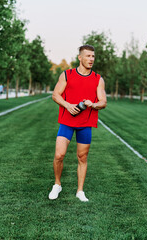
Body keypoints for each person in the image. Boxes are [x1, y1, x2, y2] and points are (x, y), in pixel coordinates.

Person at [49, 45, 107, 202]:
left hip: (86, 123)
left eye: (93, 56)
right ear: (80, 58)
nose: (91, 59)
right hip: (67, 121)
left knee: (82, 157)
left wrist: (92, 104)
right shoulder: (67, 75)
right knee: (59, 154)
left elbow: (103, 102)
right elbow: (55, 95)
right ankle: (57, 184)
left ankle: (80, 191)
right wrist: (68, 105)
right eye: (88, 56)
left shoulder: (97, 79)